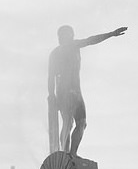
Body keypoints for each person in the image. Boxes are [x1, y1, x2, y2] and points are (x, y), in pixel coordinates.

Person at [48, 25, 127, 156]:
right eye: (60, 36)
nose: (62, 38)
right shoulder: (55, 54)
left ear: (71, 36)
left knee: (81, 123)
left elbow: (92, 40)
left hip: (76, 91)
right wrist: (52, 95)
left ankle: (72, 154)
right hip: (63, 91)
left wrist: (111, 34)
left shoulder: (74, 45)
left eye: (65, 35)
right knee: (68, 121)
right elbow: (51, 76)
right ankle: (65, 153)